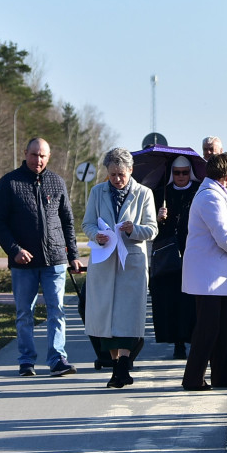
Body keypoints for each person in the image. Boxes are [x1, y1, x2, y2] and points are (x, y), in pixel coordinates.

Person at [0, 137, 83, 377]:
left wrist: (73, 255)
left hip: (55, 260)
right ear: (25, 153)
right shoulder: (9, 182)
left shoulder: (57, 182)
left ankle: (57, 359)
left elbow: (67, 221)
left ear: (48, 157)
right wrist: (14, 250)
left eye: (43, 156)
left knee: (57, 310)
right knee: (24, 314)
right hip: (24, 263)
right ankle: (26, 361)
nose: (38, 160)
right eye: (34, 155)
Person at [83, 147, 158, 388]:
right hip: (104, 261)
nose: (116, 179)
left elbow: (152, 229)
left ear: (131, 170)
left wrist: (133, 229)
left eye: (121, 174)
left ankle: (124, 364)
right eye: (112, 174)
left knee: (127, 314)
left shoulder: (144, 193)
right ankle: (116, 367)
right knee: (106, 315)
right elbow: (87, 224)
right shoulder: (97, 192)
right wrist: (96, 236)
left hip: (131, 262)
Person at [180, 153, 227, 390]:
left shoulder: (218, 193)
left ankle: (222, 375)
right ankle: (193, 378)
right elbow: (223, 236)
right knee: (207, 329)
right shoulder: (210, 196)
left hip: (217, 271)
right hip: (207, 273)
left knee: (221, 328)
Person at [150, 156, 200, 359]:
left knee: (191, 300)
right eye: (177, 173)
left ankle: (194, 340)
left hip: (192, 252)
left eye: (185, 172)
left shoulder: (199, 192)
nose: (181, 176)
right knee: (170, 299)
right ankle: (177, 343)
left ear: (190, 172)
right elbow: (148, 225)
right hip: (168, 254)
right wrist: (157, 218)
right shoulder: (160, 193)